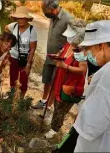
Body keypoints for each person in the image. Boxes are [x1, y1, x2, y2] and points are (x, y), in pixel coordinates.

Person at [45, 19, 87, 139]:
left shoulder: (81, 50)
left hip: (70, 83)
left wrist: (66, 66)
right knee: (57, 104)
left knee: (61, 108)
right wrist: (57, 57)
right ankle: (54, 125)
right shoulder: (69, 44)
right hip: (61, 78)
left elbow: (82, 70)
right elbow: (62, 54)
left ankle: (55, 129)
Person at [73, 20, 110, 152]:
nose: (90, 54)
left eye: (90, 49)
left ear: (101, 46)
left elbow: (91, 125)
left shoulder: (107, 73)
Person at [32, 0, 73, 109]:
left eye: (46, 11)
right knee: (47, 79)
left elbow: (73, 41)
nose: (45, 14)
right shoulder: (52, 17)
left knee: (55, 82)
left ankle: (48, 106)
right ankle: (43, 100)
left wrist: (62, 53)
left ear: (52, 9)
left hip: (60, 60)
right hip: (49, 56)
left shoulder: (68, 19)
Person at [5, 6, 37, 98]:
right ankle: (12, 96)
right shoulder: (13, 26)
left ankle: (21, 100)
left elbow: (32, 49)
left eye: (22, 18)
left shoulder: (32, 30)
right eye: (18, 18)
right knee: (13, 78)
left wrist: (28, 65)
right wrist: (8, 40)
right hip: (13, 57)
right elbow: (6, 28)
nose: (19, 20)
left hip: (25, 59)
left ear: (26, 18)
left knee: (23, 80)